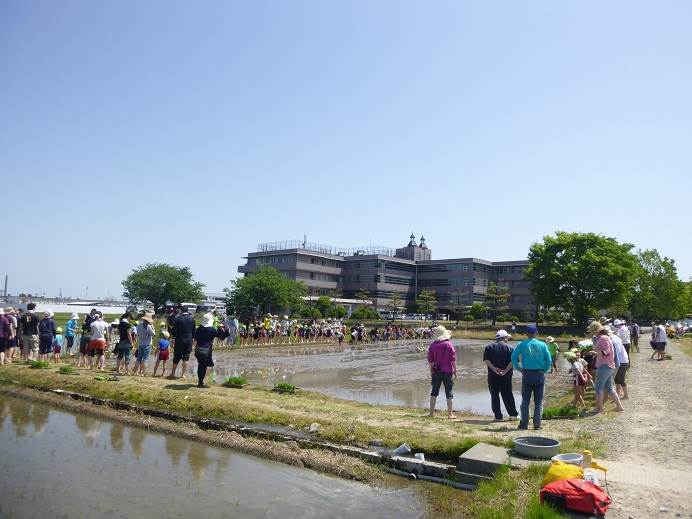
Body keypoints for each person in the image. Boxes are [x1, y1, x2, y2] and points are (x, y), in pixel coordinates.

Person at [511, 324, 551, 430]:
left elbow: (513, 358)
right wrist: (545, 370)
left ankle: (524, 424)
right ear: (536, 333)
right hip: (539, 374)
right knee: (538, 402)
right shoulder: (543, 345)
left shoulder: (521, 344)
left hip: (527, 374)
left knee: (525, 401)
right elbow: (549, 360)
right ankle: (537, 425)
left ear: (526, 334)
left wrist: (520, 369)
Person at [588, 321, 624, 413]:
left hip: (604, 366)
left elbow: (606, 352)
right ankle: (619, 406)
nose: (591, 333)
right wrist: (596, 353)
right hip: (608, 366)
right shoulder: (604, 338)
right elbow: (605, 352)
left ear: (596, 332)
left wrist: (596, 353)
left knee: (598, 387)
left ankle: (599, 408)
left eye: (592, 332)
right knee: (609, 387)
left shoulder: (603, 338)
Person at [483, 329, 518, 421]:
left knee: (494, 395)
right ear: (505, 338)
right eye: (507, 337)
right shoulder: (510, 348)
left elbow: (487, 360)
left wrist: (494, 369)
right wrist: (505, 371)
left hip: (492, 376)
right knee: (508, 395)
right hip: (506, 376)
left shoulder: (489, 347)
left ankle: (498, 416)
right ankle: (513, 415)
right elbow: (512, 362)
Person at [426, 325, 457, 419]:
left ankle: (431, 413)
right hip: (448, 371)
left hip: (436, 371)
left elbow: (430, 361)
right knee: (449, 392)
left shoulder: (432, 345)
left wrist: (431, 371)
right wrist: (455, 371)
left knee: (434, 392)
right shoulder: (449, 345)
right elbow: (453, 360)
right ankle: (450, 414)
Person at [193, 313, 225, 388]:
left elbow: (196, 338)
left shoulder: (199, 329)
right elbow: (221, 336)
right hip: (206, 350)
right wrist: (222, 330)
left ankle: (200, 382)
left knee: (200, 365)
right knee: (203, 366)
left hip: (198, 350)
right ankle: (200, 383)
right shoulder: (211, 329)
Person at [168, 305, 195, 378]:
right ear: (187, 310)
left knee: (176, 357)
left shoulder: (177, 319)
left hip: (180, 339)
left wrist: (174, 336)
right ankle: (183, 375)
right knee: (186, 357)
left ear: (181, 311)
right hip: (189, 340)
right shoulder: (192, 319)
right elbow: (194, 331)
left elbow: (174, 331)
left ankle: (173, 373)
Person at [609, 326, 629, 400]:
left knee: (621, 379)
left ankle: (626, 395)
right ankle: (617, 395)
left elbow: (616, 352)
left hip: (622, 361)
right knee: (617, 379)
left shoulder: (613, 339)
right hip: (622, 360)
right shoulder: (615, 338)